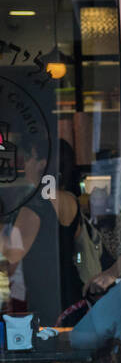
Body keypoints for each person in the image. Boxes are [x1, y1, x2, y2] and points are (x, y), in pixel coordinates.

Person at [2, 138, 87, 325]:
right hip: (74, 300)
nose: (25, 163)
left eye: (29, 157)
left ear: (41, 164)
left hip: (49, 305)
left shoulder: (35, 206)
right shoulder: (70, 200)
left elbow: (12, 255)